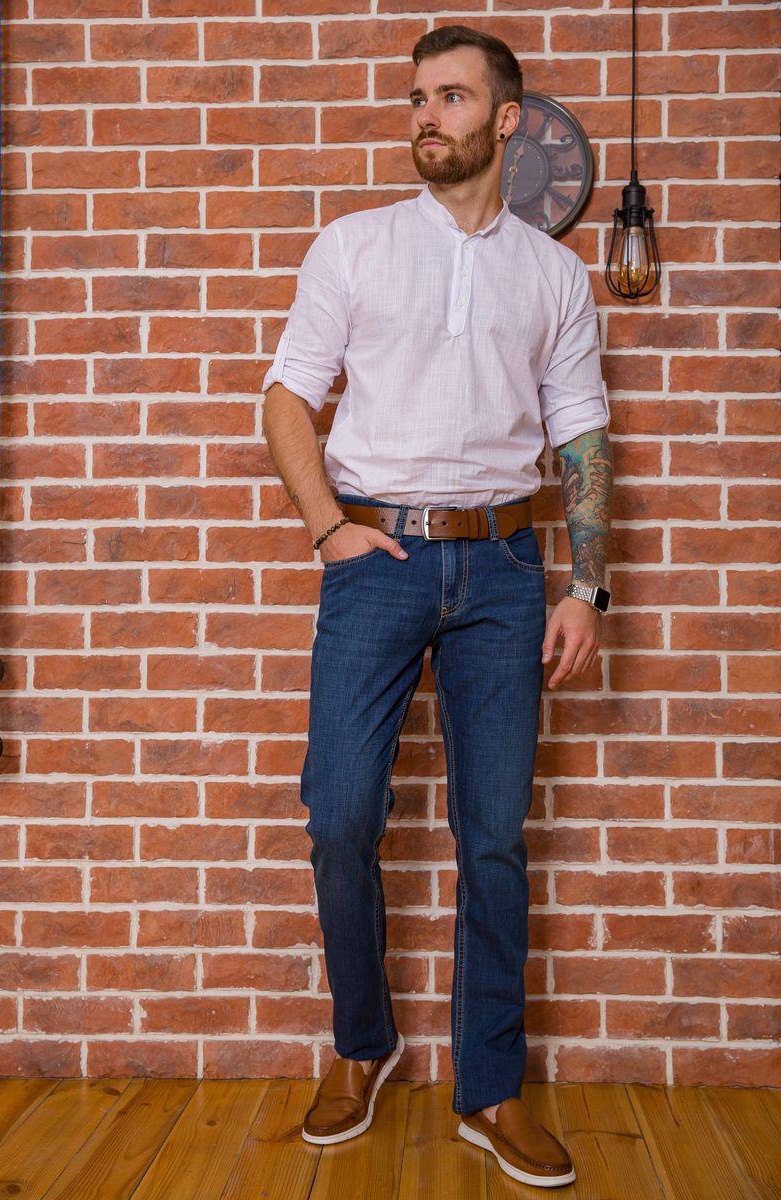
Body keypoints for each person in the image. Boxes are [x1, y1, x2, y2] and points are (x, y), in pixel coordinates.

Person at [262, 23, 613, 1189]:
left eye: (451, 97)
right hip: (377, 562)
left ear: (505, 121)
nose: (426, 114)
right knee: (339, 816)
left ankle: (491, 1089)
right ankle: (362, 1047)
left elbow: (580, 435)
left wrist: (583, 586)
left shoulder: (551, 274)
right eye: (417, 97)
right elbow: (286, 397)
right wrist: (329, 527)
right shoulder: (355, 246)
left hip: (505, 573)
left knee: (492, 836)